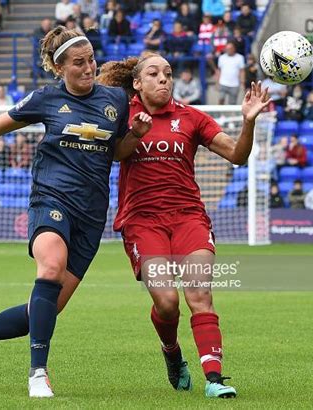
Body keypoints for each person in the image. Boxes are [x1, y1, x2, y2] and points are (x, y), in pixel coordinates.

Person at [0, 26, 152, 398]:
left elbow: (117, 152)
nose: (89, 68)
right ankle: (37, 373)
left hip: (91, 215)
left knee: (42, 312)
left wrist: (134, 135)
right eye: (79, 63)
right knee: (51, 267)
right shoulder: (46, 98)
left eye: (91, 60)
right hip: (51, 200)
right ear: (60, 69)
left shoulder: (115, 100)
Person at [97, 53, 271, 398]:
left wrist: (249, 122)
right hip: (143, 221)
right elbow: (115, 154)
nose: (163, 79)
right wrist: (135, 132)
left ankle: (215, 378)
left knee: (199, 295)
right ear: (137, 83)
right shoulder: (121, 115)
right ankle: (172, 352)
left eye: (168, 73)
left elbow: (237, 155)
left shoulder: (191, 117)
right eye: (154, 73)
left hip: (188, 216)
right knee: (166, 302)